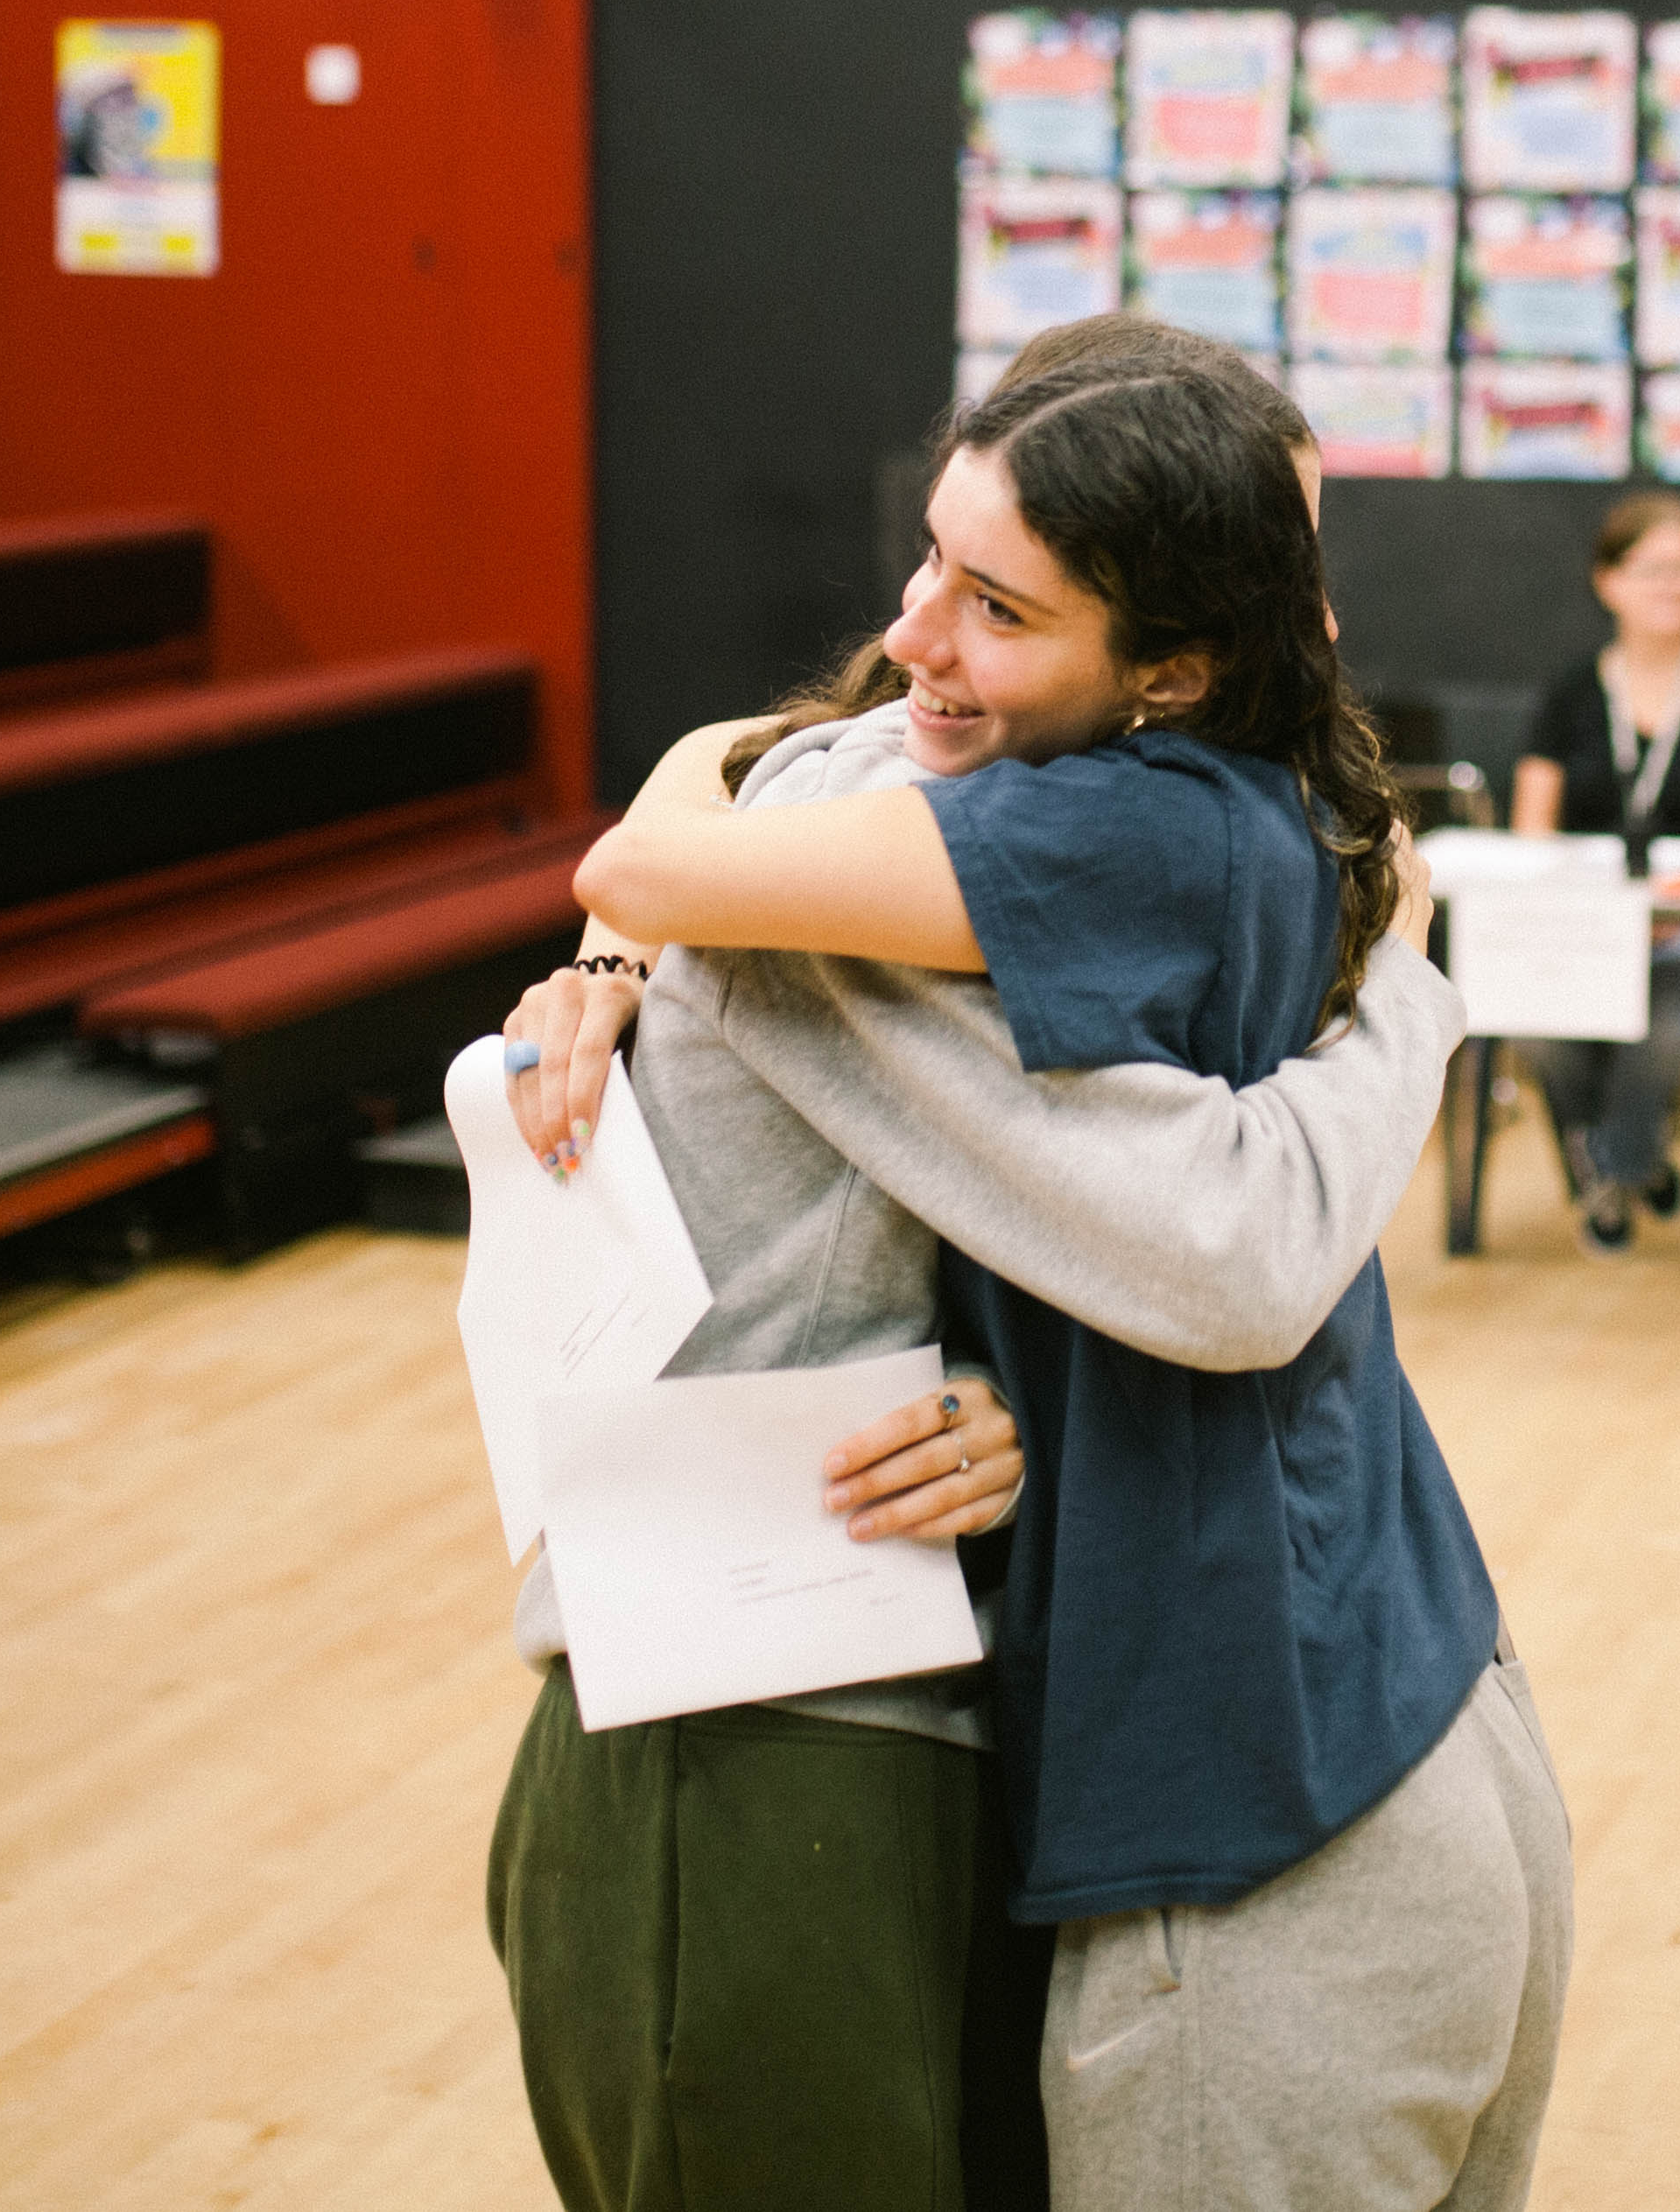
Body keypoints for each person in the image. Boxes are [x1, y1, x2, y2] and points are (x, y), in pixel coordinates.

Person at [528, 356, 1571, 2212]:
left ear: (1186, 642)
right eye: (935, 559)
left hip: (1210, 1784)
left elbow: (1227, 1253)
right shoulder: (1269, 829)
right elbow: (722, 795)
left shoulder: (1065, 833)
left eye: (998, 598)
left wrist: (641, 911)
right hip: (1369, 1697)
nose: (914, 625)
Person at [1507, 488, 1680, 1249]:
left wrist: (1678, 907)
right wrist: (1596, 910)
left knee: (1667, 1004)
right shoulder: (1570, 692)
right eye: (1656, 569)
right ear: (1609, 581)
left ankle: (1612, 1167)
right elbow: (1533, 822)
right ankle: (1635, 1159)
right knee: (1533, 1015)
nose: (1677, 586)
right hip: (1588, 919)